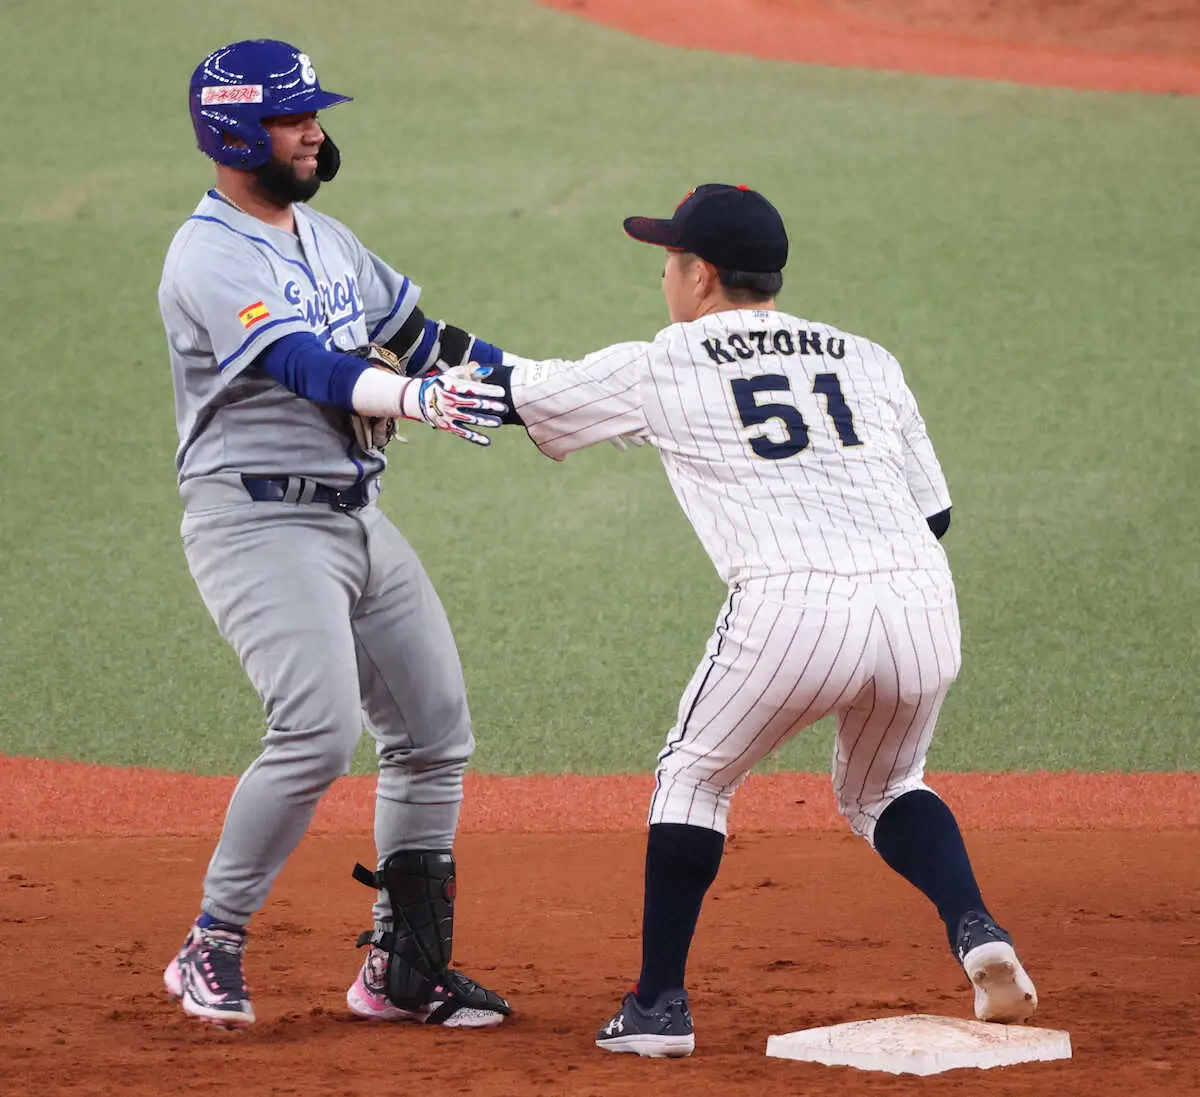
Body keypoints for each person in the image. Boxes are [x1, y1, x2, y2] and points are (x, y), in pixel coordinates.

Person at [460, 183, 1038, 1057]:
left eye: (668, 258)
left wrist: (402, 343)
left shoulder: (669, 360)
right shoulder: (868, 358)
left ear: (701, 275)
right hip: (922, 602)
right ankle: (975, 926)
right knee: (887, 786)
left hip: (792, 608)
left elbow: (511, 390)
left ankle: (657, 1007)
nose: (663, 274)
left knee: (694, 776)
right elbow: (936, 515)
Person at [156, 38, 513, 1030]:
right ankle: (211, 941)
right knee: (314, 728)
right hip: (258, 524)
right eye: (292, 116)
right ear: (234, 130)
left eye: (314, 112)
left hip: (355, 517)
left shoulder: (326, 238)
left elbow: (426, 340)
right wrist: (415, 396)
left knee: (435, 733)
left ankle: (404, 972)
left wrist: (550, 393)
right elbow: (310, 366)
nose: (315, 131)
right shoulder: (210, 255)